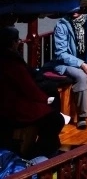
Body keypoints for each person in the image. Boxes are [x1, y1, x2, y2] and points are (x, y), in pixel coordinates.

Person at [0, 27, 65, 158]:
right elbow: (30, 89)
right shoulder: (12, 64)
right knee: (55, 119)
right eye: (17, 40)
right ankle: (42, 153)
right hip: (13, 110)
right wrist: (45, 99)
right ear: (13, 43)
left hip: (8, 104)